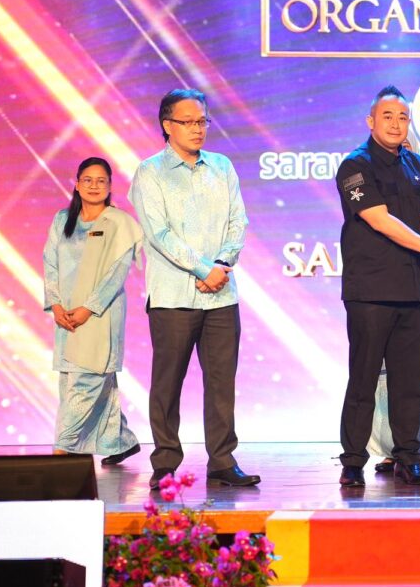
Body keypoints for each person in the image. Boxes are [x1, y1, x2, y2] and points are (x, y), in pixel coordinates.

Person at [335, 86, 420, 488]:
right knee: (363, 379)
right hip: (370, 292)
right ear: (371, 121)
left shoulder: (416, 164)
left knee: (409, 382)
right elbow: (380, 220)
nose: (396, 124)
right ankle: (353, 460)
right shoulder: (355, 166)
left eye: (403, 117)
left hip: (412, 291)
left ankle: (409, 457)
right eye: (388, 116)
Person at [131, 89, 259, 489]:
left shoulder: (221, 166)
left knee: (221, 383)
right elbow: (159, 234)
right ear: (167, 125)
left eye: (202, 121)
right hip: (173, 297)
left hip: (222, 296)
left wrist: (222, 265)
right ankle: (165, 462)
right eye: (188, 122)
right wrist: (204, 268)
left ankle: (222, 460)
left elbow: (238, 221)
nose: (198, 129)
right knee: (167, 383)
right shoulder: (150, 172)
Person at [43, 157, 142, 463]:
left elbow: (116, 274)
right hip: (66, 315)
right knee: (74, 380)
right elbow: (50, 263)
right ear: (77, 184)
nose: (94, 186)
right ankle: (119, 441)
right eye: (88, 180)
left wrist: (89, 308)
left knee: (86, 382)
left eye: (101, 181)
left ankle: (62, 452)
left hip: (100, 315)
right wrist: (55, 304)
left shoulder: (119, 223)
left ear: (110, 186)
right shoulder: (62, 220)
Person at [369, 130, 420, 475]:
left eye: (408, 146)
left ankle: (416, 449)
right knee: (384, 373)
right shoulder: (371, 183)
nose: (401, 151)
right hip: (384, 288)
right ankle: (390, 450)